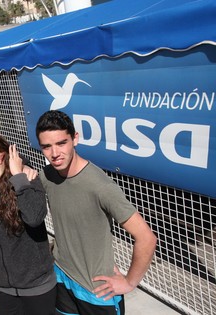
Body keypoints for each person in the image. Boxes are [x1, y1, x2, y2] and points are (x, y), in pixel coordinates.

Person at [35, 110, 157, 315]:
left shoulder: (100, 186)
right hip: (61, 277)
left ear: (75, 139)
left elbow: (146, 238)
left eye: (61, 143)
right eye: (47, 146)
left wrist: (129, 282)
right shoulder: (47, 175)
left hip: (97, 289)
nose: (54, 153)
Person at [0, 132, 56, 315]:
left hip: (36, 285)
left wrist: (18, 178)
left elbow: (34, 217)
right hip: (1, 286)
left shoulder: (27, 178)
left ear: (6, 155)